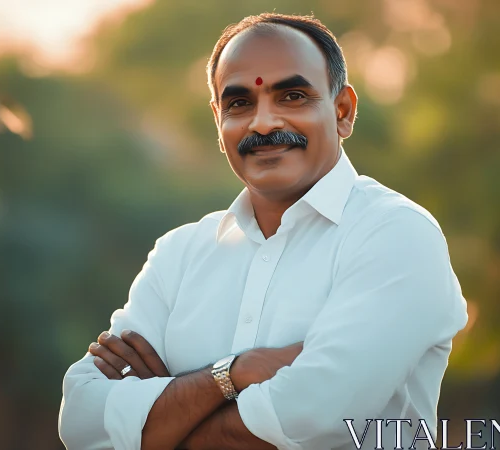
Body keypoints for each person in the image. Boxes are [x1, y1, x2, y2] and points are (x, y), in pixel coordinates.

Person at [58, 13, 468, 450]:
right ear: (218, 123)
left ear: (343, 111)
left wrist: (161, 417)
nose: (263, 123)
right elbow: (83, 423)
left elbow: (313, 417)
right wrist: (233, 374)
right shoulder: (179, 254)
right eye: (239, 104)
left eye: (292, 96)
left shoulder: (394, 234)